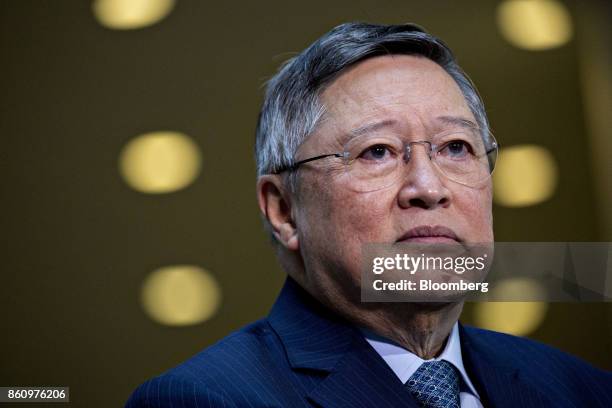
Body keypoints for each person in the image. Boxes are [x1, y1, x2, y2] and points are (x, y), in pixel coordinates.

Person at [125, 22, 611, 408]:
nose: (428, 187)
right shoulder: (205, 399)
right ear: (284, 210)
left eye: (457, 147)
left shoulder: (583, 388)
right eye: (376, 151)